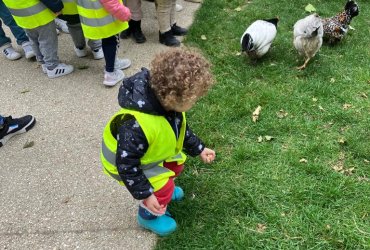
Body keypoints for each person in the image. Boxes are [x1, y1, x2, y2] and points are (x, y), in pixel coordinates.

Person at [100, 48, 216, 236]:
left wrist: (200, 148)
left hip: (146, 155)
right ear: (173, 97)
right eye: (193, 99)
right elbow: (126, 165)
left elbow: (181, 131)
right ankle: (147, 216)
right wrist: (146, 193)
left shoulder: (167, 106)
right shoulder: (136, 126)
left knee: (176, 164)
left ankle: (163, 190)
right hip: (121, 164)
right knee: (162, 188)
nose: (195, 102)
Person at [3, 0, 74, 79]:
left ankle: (44, 63)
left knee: (34, 40)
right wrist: (57, 6)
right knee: (48, 40)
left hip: (23, 18)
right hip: (40, 15)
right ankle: (52, 66)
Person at [77, 0, 132, 86]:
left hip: (91, 16)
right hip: (106, 17)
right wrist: (124, 13)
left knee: (107, 40)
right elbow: (111, 2)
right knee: (111, 41)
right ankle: (110, 73)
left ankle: (113, 63)